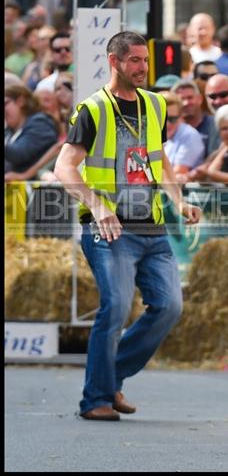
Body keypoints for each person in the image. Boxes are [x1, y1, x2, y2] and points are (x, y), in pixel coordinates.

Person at [53, 31, 201, 421]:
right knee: (116, 307)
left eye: (145, 61)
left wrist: (178, 199)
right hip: (109, 229)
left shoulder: (155, 104)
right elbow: (64, 167)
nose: (142, 68)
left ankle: (111, 375)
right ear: (114, 61)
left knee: (169, 307)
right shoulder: (93, 109)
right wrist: (97, 205)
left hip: (151, 226)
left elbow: (159, 161)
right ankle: (96, 399)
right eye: (134, 60)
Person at [4, 84, 60, 179]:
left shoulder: (40, 123)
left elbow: (19, 154)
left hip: (38, 191)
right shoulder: (9, 131)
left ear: (20, 101)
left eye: (5, 104)